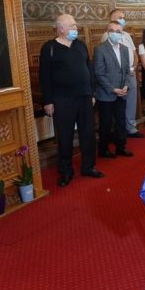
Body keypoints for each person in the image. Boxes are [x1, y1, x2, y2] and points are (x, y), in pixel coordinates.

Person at [39, 14, 104, 187]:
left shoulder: (80, 45)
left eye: (76, 25)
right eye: (72, 26)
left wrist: (91, 93)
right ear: (61, 29)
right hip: (62, 99)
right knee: (65, 137)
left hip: (84, 96)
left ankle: (88, 167)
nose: (76, 28)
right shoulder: (49, 48)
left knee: (88, 134)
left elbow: (89, 69)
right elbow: (44, 76)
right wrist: (48, 101)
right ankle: (66, 171)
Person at [93, 22, 134, 159]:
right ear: (107, 32)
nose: (115, 33)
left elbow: (127, 71)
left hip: (122, 92)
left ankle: (121, 147)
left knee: (121, 121)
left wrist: (126, 86)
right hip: (106, 93)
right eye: (112, 31)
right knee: (106, 123)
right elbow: (99, 73)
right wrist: (112, 89)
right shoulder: (100, 49)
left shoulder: (124, 49)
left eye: (118, 31)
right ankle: (103, 149)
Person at [107, 9, 144, 138]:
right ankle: (119, 129)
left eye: (123, 17)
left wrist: (133, 67)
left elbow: (134, 53)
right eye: (119, 17)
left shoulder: (127, 35)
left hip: (130, 73)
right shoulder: (108, 36)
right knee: (118, 103)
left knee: (131, 101)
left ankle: (131, 127)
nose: (122, 19)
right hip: (117, 75)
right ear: (112, 19)